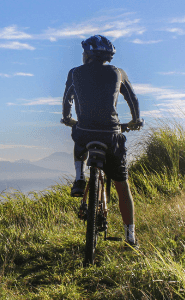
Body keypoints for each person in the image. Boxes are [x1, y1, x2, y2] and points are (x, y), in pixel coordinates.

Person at [60, 35, 143, 249]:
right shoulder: (118, 73)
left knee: (78, 136)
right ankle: (130, 236)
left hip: (85, 132)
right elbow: (132, 99)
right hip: (112, 135)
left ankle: (79, 178)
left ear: (87, 54)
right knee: (122, 185)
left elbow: (67, 98)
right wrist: (135, 120)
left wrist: (67, 118)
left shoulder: (75, 73)